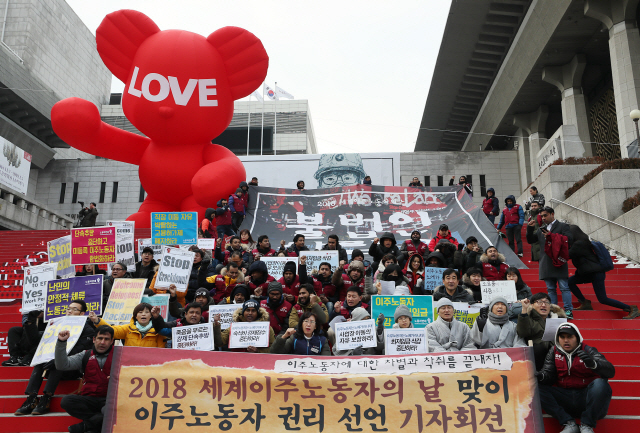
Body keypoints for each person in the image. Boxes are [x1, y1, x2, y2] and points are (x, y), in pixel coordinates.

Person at [13, 300, 96, 416]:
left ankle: (46, 398)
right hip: (49, 366)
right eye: (68, 308)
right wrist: (30, 322)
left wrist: (59, 359)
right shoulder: (57, 324)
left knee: (59, 361)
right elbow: (35, 341)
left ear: (82, 314)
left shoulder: (87, 330)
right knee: (40, 362)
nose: (70, 311)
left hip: (71, 369)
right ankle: (31, 398)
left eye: (74, 309)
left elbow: (80, 351)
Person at [537, 322, 615, 433]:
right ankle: (568, 423)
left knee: (600, 384)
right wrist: (542, 376)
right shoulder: (553, 351)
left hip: (586, 399)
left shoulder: (589, 350)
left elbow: (610, 371)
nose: (566, 340)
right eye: (562, 337)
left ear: (577, 338)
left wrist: (593, 364)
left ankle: (587, 424)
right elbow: (548, 374)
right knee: (535, 386)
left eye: (570, 337)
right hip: (565, 398)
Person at [568, 225, 639, 319]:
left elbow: (567, 255)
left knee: (603, 299)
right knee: (570, 281)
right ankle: (585, 303)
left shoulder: (579, 244)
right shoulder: (580, 243)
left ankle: (632, 309)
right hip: (589, 273)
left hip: (596, 273)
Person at [54, 325, 114, 433]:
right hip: (89, 399)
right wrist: (61, 343)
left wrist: (120, 378)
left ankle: (87, 425)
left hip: (110, 400)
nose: (103, 342)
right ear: (94, 339)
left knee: (111, 411)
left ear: (112, 341)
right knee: (67, 401)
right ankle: (96, 421)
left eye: (106, 339)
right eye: (100, 338)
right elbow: (62, 365)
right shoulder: (85, 355)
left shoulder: (120, 355)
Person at [527, 206, 574, 319]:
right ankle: (554, 310)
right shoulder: (541, 229)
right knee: (551, 289)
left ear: (552, 214)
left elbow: (569, 239)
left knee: (564, 287)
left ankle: (568, 310)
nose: (543, 218)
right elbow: (531, 240)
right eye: (541, 216)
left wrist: (552, 236)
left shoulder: (562, 226)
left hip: (559, 261)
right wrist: (530, 228)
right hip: (545, 262)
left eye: (545, 215)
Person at [517, 292, 567, 369]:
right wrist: (524, 310)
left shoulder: (557, 318)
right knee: (539, 348)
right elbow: (522, 333)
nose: (543, 305)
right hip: (537, 353)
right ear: (532, 305)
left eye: (546, 302)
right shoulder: (528, 318)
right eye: (539, 302)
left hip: (556, 350)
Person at [91, 303, 166, 347]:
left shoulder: (158, 330)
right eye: (140, 312)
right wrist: (97, 321)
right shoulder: (128, 328)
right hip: (130, 365)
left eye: (147, 312)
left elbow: (161, 350)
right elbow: (112, 330)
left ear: (151, 315)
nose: (143, 314)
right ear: (135, 316)